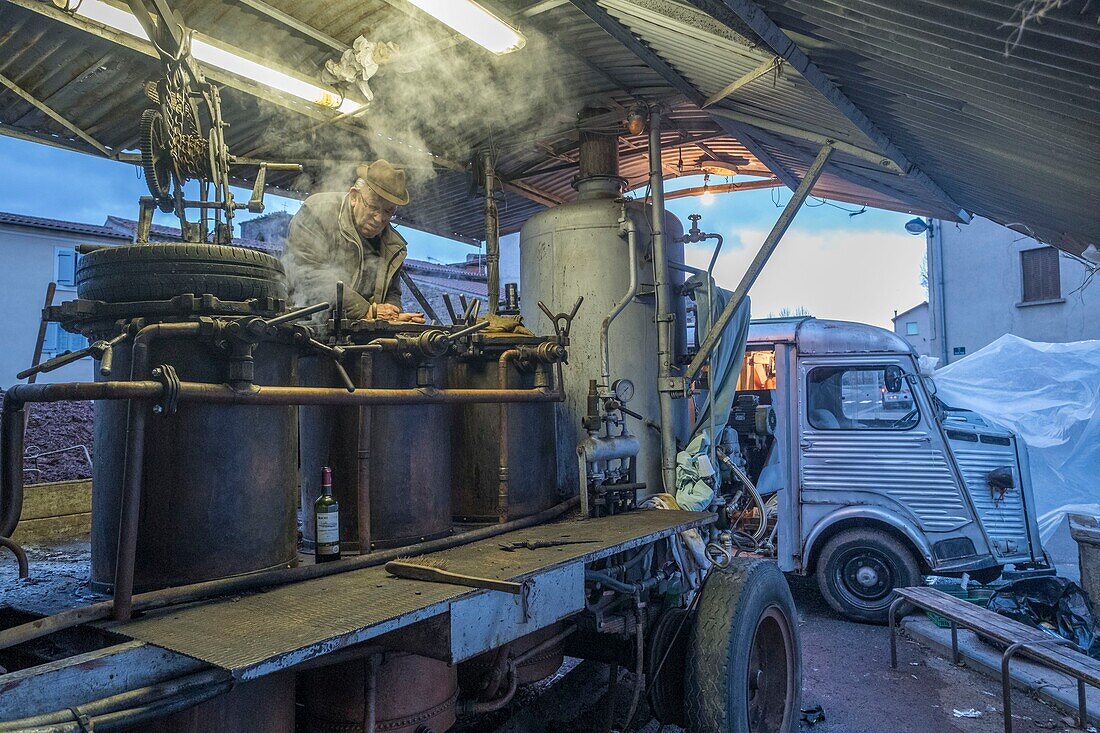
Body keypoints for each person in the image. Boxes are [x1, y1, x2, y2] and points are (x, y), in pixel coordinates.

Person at [284, 160, 424, 323]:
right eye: (372, 207)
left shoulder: (392, 245)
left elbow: (392, 292)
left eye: (388, 211)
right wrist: (367, 311)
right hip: (304, 325)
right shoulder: (317, 212)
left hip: (358, 333)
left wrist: (392, 314)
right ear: (354, 196)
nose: (379, 219)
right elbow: (309, 273)